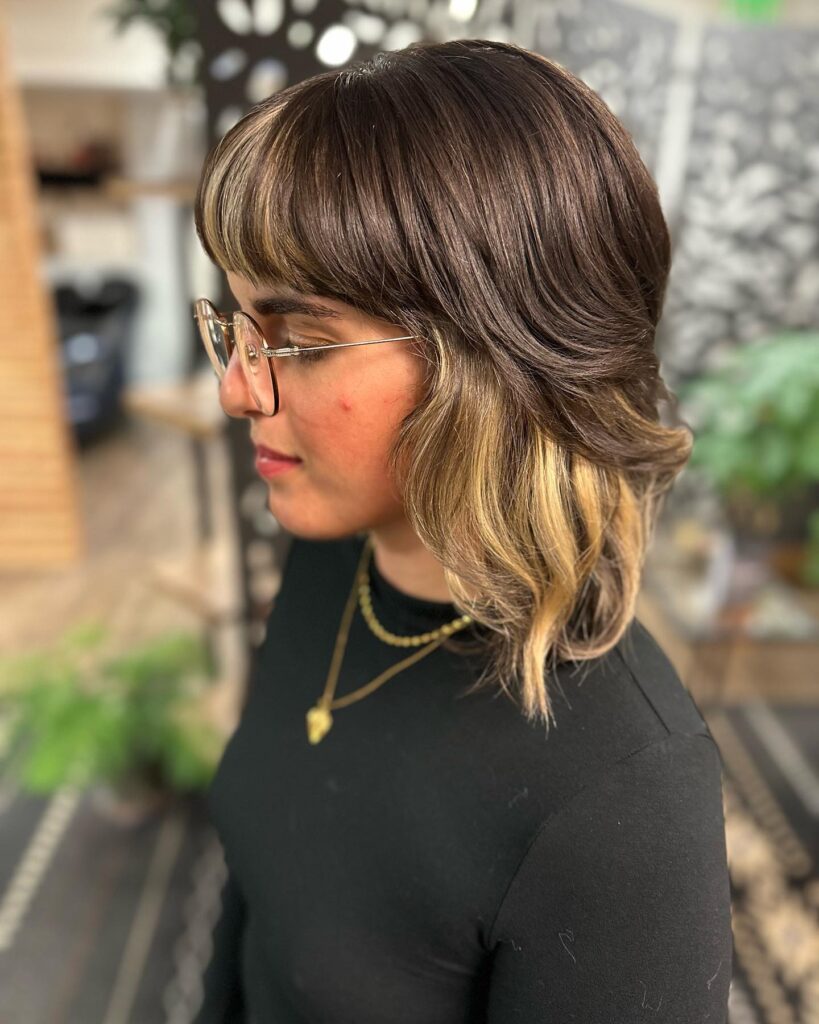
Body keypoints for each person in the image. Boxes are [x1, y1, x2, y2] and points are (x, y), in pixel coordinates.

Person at [190, 38, 733, 1023]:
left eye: (299, 339)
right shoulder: (329, 564)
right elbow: (258, 904)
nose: (235, 385)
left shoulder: (625, 797)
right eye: (234, 324)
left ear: (497, 361)